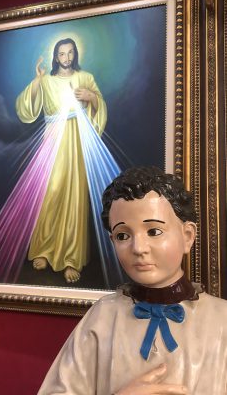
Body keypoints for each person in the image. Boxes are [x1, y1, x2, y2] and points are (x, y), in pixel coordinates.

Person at [37, 166, 227, 394]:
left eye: (154, 232)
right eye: (123, 235)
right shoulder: (103, 317)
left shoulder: (221, 321)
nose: (138, 248)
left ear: (187, 236)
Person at [16, 38, 107, 283]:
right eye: (61, 54)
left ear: (74, 54)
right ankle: (44, 249)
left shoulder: (85, 77)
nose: (65, 58)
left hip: (76, 139)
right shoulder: (46, 81)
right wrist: (36, 80)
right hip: (52, 140)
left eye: (70, 53)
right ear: (55, 57)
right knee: (51, 191)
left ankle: (71, 258)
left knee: (74, 195)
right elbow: (27, 108)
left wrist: (92, 97)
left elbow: (100, 106)